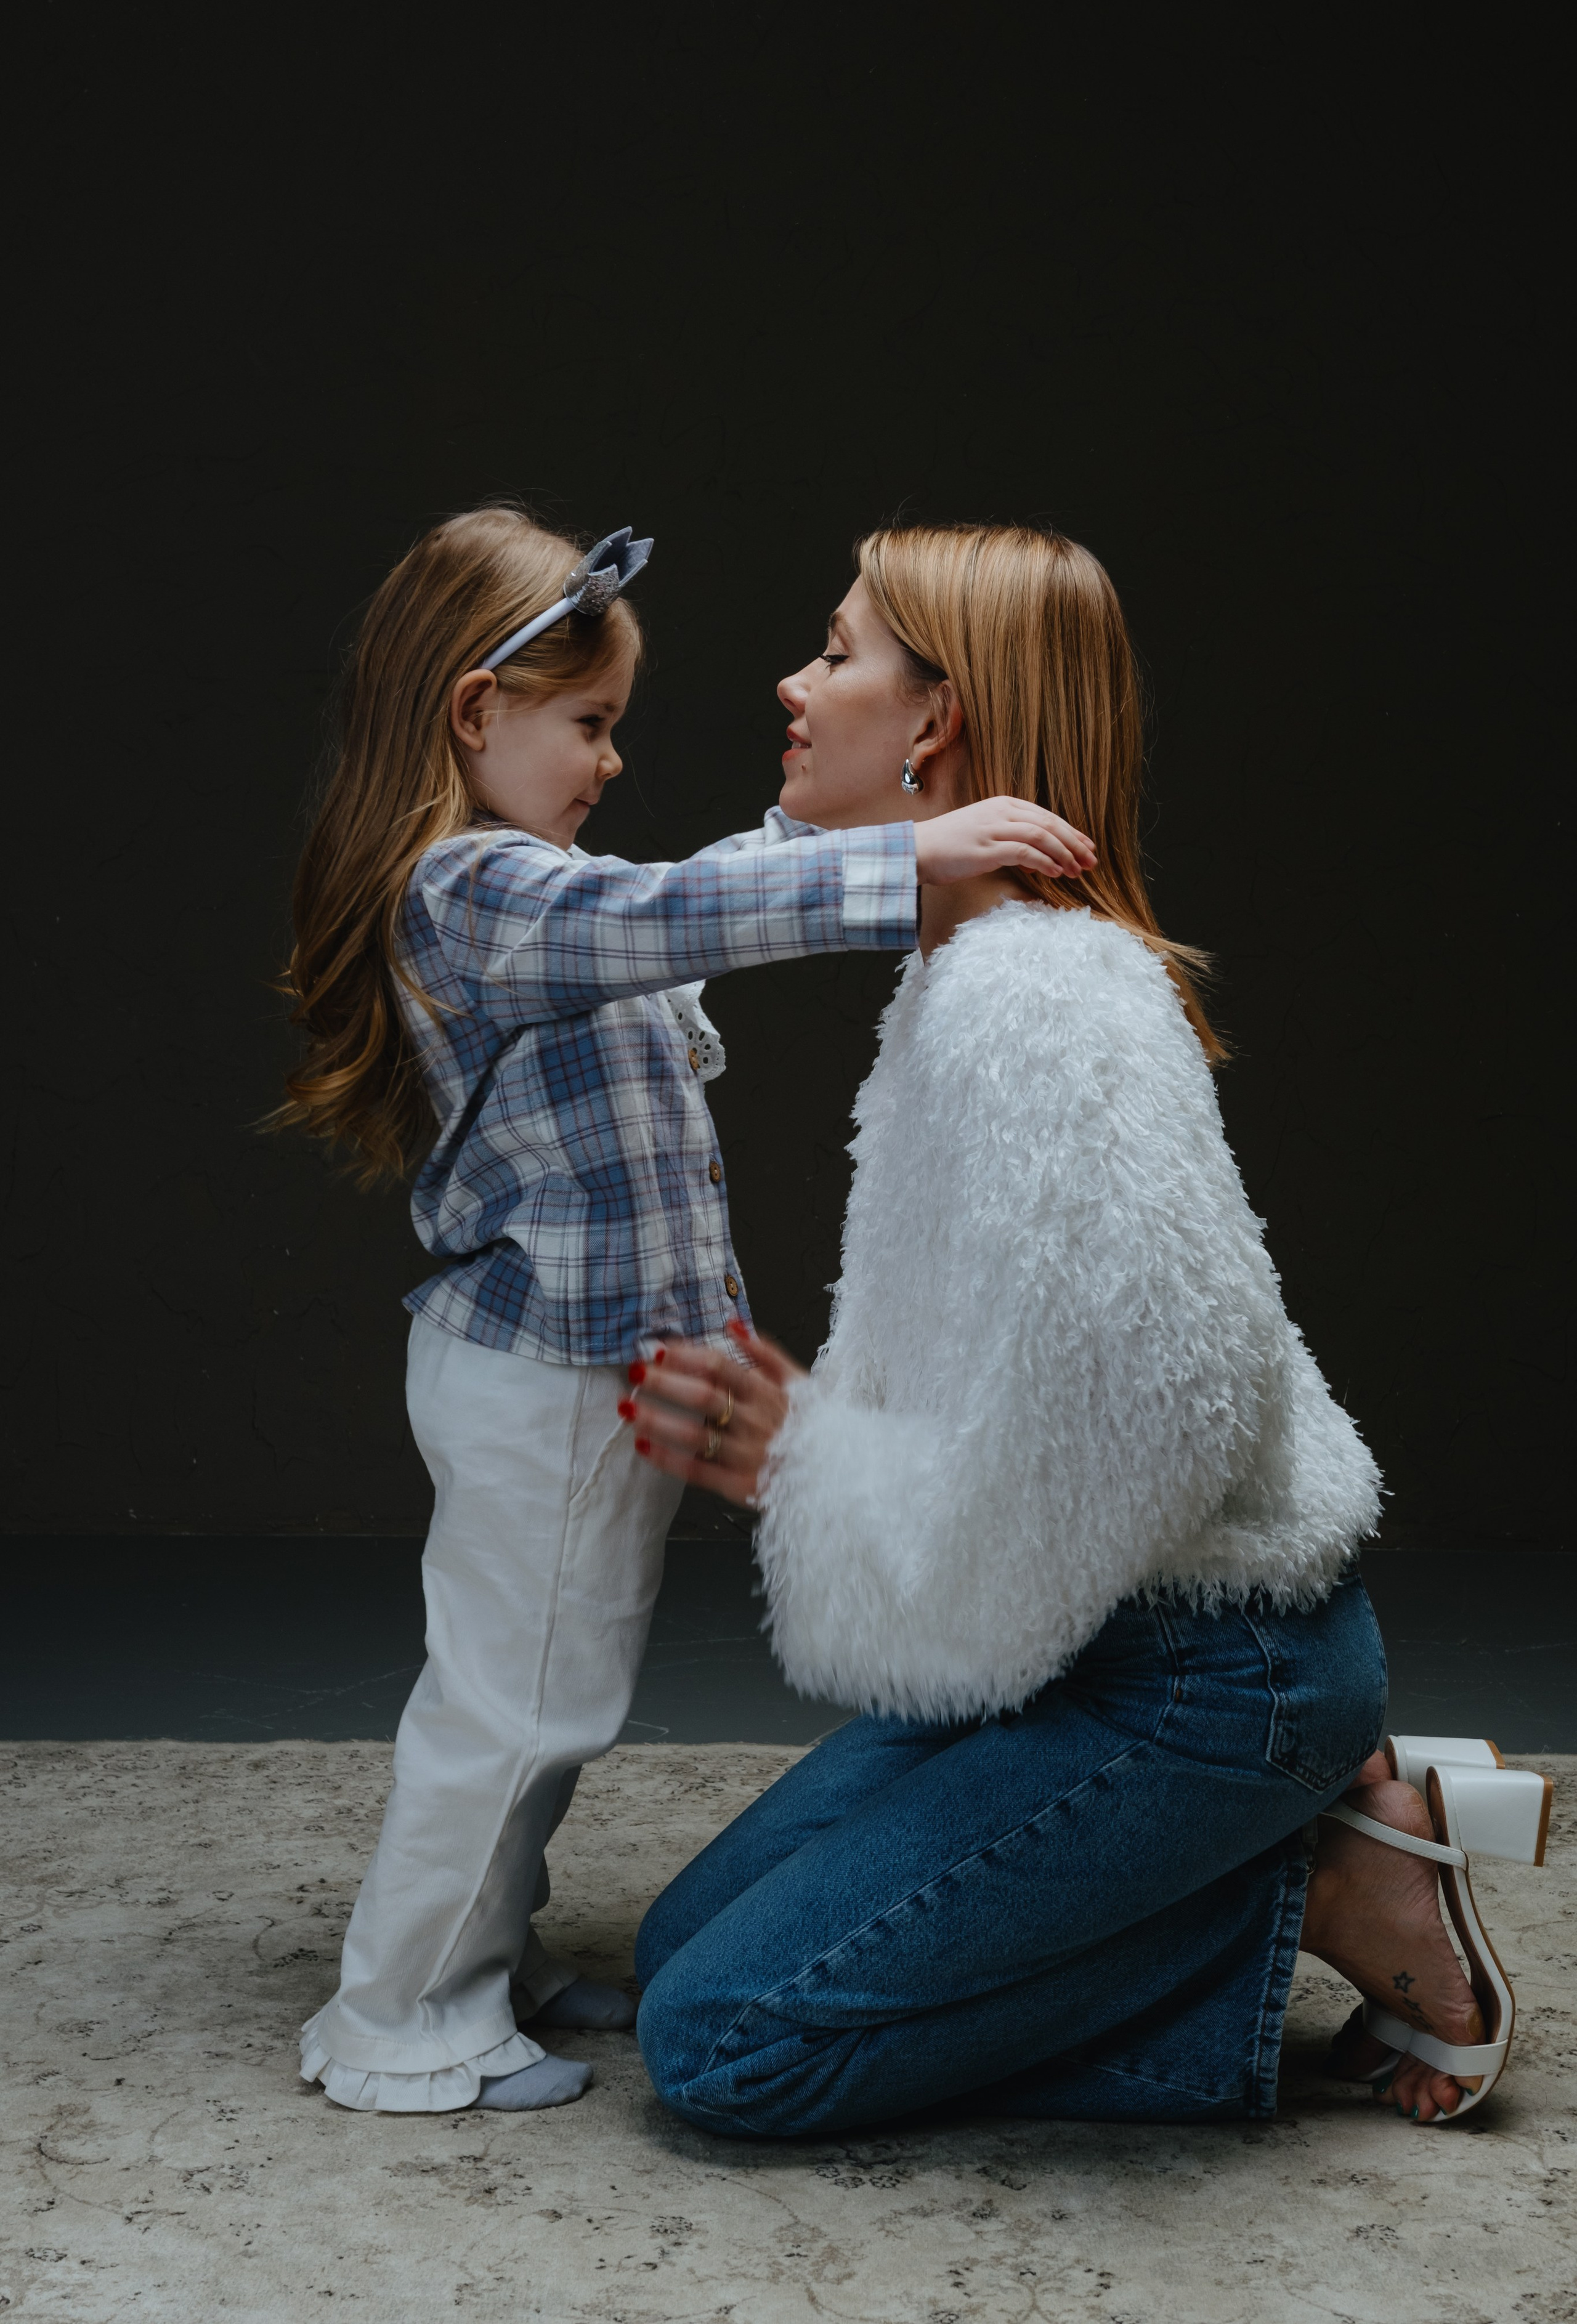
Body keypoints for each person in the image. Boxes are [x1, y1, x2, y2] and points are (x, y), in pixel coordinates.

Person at [625, 520, 1549, 2134]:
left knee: (725, 2043)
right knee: (674, 1953)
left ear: (939, 719)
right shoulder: (962, 977)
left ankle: (1315, 1882)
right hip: (1091, 1639)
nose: (793, 681)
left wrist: (818, 1462)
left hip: (1212, 1671)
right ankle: (1304, 1837)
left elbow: (1175, 1398)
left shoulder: (1033, 1003)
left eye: (836, 652)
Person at [275, 504, 1093, 2114]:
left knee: (553, 1695)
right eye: (588, 724)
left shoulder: (548, 892)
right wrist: (902, 860)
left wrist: (814, 846)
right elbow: (664, 918)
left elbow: (687, 901)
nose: (611, 760)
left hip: (591, 1373)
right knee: (514, 1702)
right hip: (544, 1375)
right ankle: (399, 2015)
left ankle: (484, 1955)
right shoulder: (470, 893)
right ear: (475, 712)